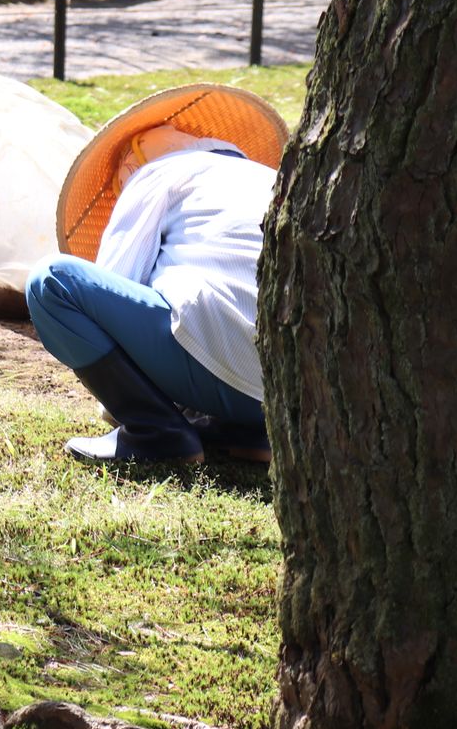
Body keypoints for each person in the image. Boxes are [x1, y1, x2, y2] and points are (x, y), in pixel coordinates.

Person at [27, 85, 289, 465]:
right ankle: (252, 436)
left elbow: (119, 280)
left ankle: (155, 433)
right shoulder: (267, 178)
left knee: (51, 282)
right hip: (292, 391)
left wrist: (116, 402)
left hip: (222, 369)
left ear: (133, 167)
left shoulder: (157, 174)